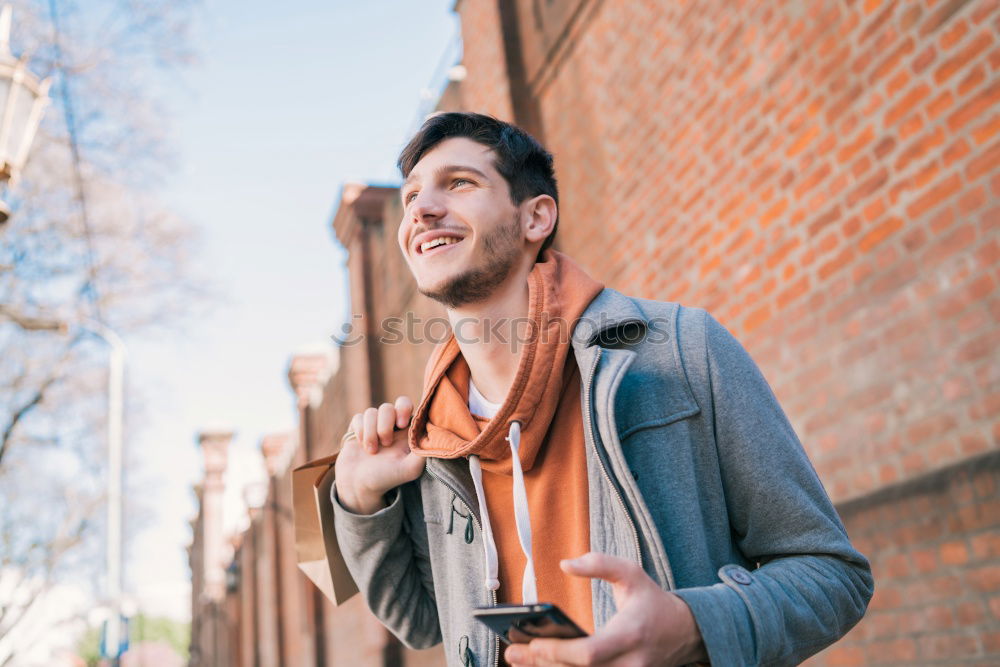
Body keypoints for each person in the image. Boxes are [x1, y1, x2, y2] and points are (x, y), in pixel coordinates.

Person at [328, 112, 873, 667]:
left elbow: (831, 575)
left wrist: (694, 627)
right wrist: (361, 501)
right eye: (411, 196)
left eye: (460, 183)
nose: (420, 209)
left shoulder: (681, 350)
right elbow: (424, 623)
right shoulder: (434, 433)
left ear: (536, 218)